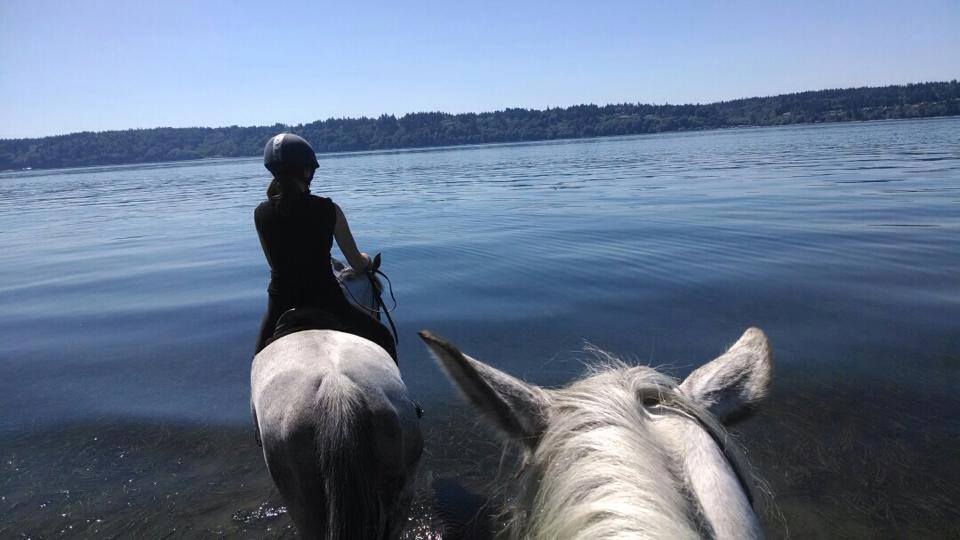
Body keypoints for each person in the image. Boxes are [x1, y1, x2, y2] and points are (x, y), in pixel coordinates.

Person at [253, 132, 397, 360]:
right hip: (327, 300)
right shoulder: (328, 209)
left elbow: (274, 263)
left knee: (259, 359)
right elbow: (355, 262)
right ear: (307, 171)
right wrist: (367, 261)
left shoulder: (260, 213)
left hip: (280, 303)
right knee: (384, 337)